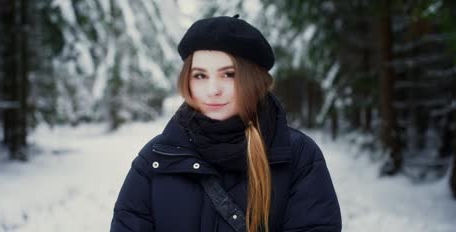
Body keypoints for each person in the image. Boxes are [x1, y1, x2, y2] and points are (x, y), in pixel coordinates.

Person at [110, 15, 342, 232]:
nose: (213, 90)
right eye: (200, 75)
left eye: (228, 74)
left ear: (254, 80)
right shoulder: (156, 159)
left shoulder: (299, 156)